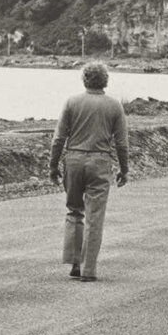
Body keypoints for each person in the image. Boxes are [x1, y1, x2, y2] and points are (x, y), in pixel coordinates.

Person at [49, 61, 130, 282]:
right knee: (95, 217)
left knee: (74, 211)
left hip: (73, 159)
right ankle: (89, 269)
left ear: (84, 79)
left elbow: (58, 139)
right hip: (100, 161)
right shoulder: (114, 106)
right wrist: (124, 169)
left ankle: (75, 262)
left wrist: (53, 165)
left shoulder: (72, 102)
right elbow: (122, 143)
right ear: (106, 81)